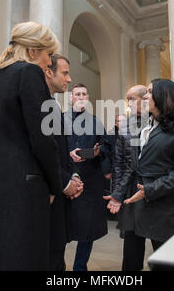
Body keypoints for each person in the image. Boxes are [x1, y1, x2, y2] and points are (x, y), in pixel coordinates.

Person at [0, 21, 63, 271]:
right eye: (48, 54)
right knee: (21, 256)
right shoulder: (29, 73)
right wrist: (55, 183)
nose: (49, 62)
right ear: (32, 52)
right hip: (24, 187)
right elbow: (42, 139)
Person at [113, 79, 174, 271]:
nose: (146, 96)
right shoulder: (145, 125)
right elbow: (132, 165)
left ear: (163, 96)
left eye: (150, 92)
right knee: (131, 259)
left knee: (163, 260)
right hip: (136, 200)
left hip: (161, 203)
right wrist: (118, 193)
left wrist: (150, 190)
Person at [43, 54, 84, 271]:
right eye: (65, 73)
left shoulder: (52, 105)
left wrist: (74, 175)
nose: (69, 79)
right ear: (49, 72)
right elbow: (42, 152)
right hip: (48, 193)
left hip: (59, 192)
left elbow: (60, 150)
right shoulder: (43, 105)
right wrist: (65, 182)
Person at [65, 83, 112, 271]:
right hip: (65, 178)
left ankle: (80, 267)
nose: (81, 96)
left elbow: (107, 146)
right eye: (77, 94)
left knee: (87, 229)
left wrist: (98, 150)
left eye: (84, 93)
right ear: (71, 98)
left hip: (90, 181)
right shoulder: (59, 120)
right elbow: (52, 148)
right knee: (61, 227)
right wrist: (69, 153)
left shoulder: (96, 122)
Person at [103, 84, 148, 271]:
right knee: (131, 242)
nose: (128, 102)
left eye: (132, 98)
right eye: (127, 98)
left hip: (156, 189)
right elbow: (120, 163)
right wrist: (117, 193)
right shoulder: (126, 126)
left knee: (161, 242)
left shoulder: (159, 123)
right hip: (131, 189)